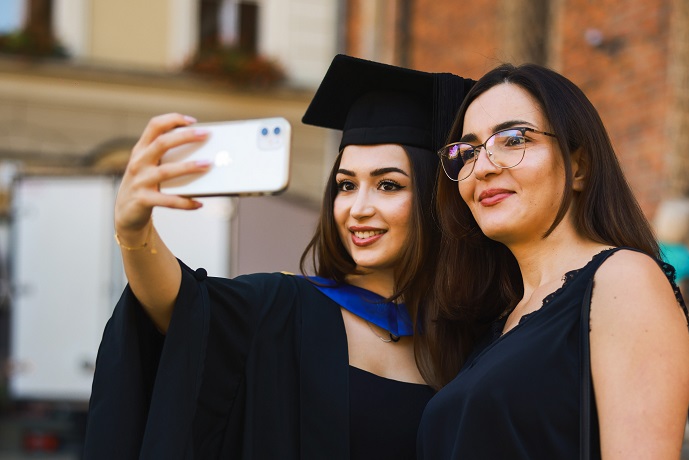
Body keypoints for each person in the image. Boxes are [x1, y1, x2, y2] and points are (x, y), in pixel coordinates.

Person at [83, 54, 473, 459]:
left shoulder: (471, 338)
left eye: (388, 185)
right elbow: (179, 306)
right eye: (345, 185)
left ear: (435, 199)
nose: (357, 208)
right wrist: (134, 229)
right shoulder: (285, 309)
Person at [416, 63, 689, 459]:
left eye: (513, 139)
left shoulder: (622, 281)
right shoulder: (501, 318)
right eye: (468, 151)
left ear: (578, 166)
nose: (482, 167)